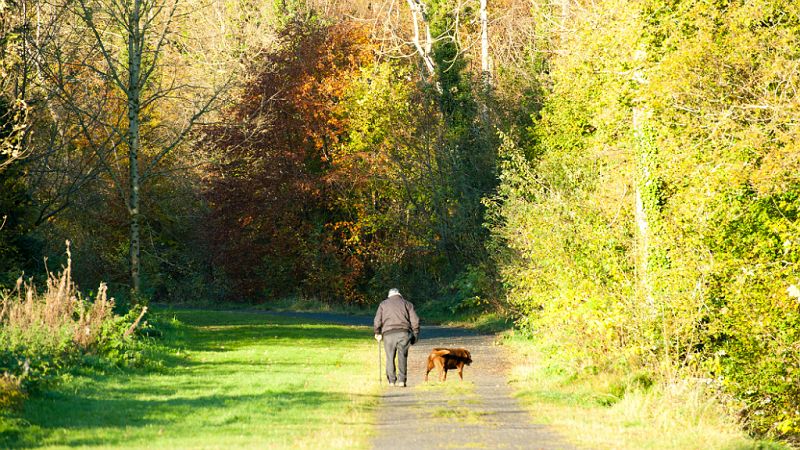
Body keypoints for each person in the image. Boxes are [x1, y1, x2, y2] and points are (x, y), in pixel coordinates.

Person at [374, 288, 420, 387]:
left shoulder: (383, 304)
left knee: (390, 357)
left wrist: (377, 332)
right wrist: (415, 333)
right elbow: (415, 320)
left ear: (389, 295)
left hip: (388, 334)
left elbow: (377, 320)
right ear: (399, 294)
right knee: (402, 356)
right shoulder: (407, 304)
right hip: (404, 333)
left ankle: (391, 381)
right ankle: (402, 381)